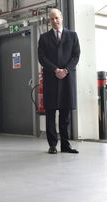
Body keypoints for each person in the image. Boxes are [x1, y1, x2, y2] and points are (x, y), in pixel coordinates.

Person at [38, 8, 80, 154]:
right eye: (52, 19)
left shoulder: (73, 36)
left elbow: (76, 55)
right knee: (50, 114)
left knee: (65, 114)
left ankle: (65, 145)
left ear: (61, 17)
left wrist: (66, 70)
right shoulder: (44, 38)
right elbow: (42, 58)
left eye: (56, 18)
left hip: (67, 79)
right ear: (49, 21)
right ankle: (52, 145)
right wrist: (56, 70)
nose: (54, 21)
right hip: (51, 79)